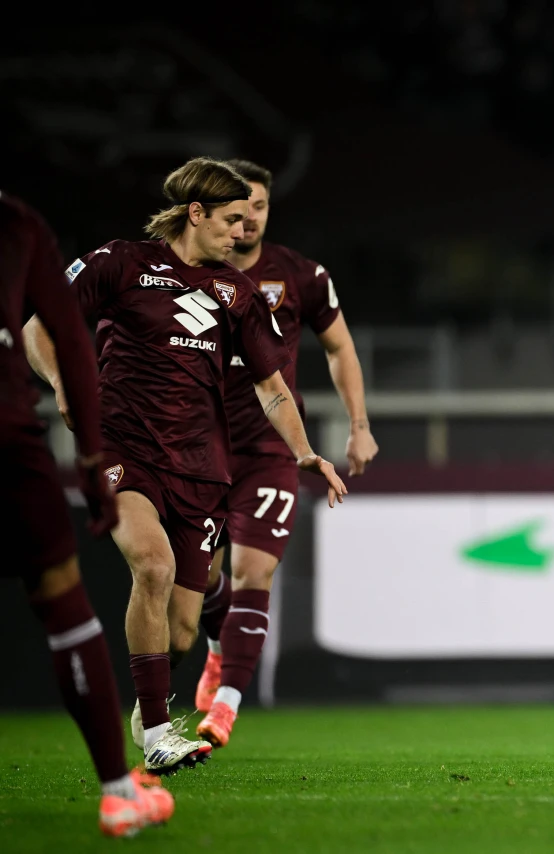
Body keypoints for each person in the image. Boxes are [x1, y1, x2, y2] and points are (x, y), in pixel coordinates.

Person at [25, 157, 348, 774]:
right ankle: (154, 732)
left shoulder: (237, 292)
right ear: (195, 214)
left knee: (177, 636)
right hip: (122, 449)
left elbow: (272, 386)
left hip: (203, 469)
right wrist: (67, 386)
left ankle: (150, 701)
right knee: (151, 564)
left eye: (248, 218)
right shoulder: (120, 263)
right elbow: (41, 326)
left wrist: (305, 451)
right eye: (230, 220)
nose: (241, 232)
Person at [2, 191, 174, 836]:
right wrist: (90, 455)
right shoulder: (18, 223)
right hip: (7, 436)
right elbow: (66, 336)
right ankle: (119, 791)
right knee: (62, 601)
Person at [193, 159, 378, 748]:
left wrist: (358, 424)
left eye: (259, 207)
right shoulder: (180, 272)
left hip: (273, 449)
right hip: (196, 449)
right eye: (237, 205)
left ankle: (225, 706)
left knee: (255, 571)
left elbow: (339, 347)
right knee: (200, 581)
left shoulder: (299, 274)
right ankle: (218, 649)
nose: (247, 217)